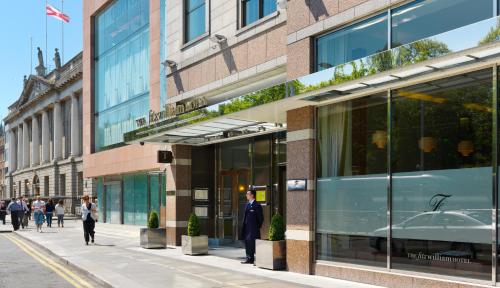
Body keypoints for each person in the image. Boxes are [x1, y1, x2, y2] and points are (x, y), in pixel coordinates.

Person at [240, 189, 264, 264]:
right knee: (247, 243)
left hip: (254, 229)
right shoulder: (247, 204)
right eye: (246, 194)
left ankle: (255, 259)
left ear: (252, 195)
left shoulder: (257, 205)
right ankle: (249, 258)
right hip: (247, 228)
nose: (246, 195)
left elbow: (261, 218)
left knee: (253, 244)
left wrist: (257, 227)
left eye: (248, 194)